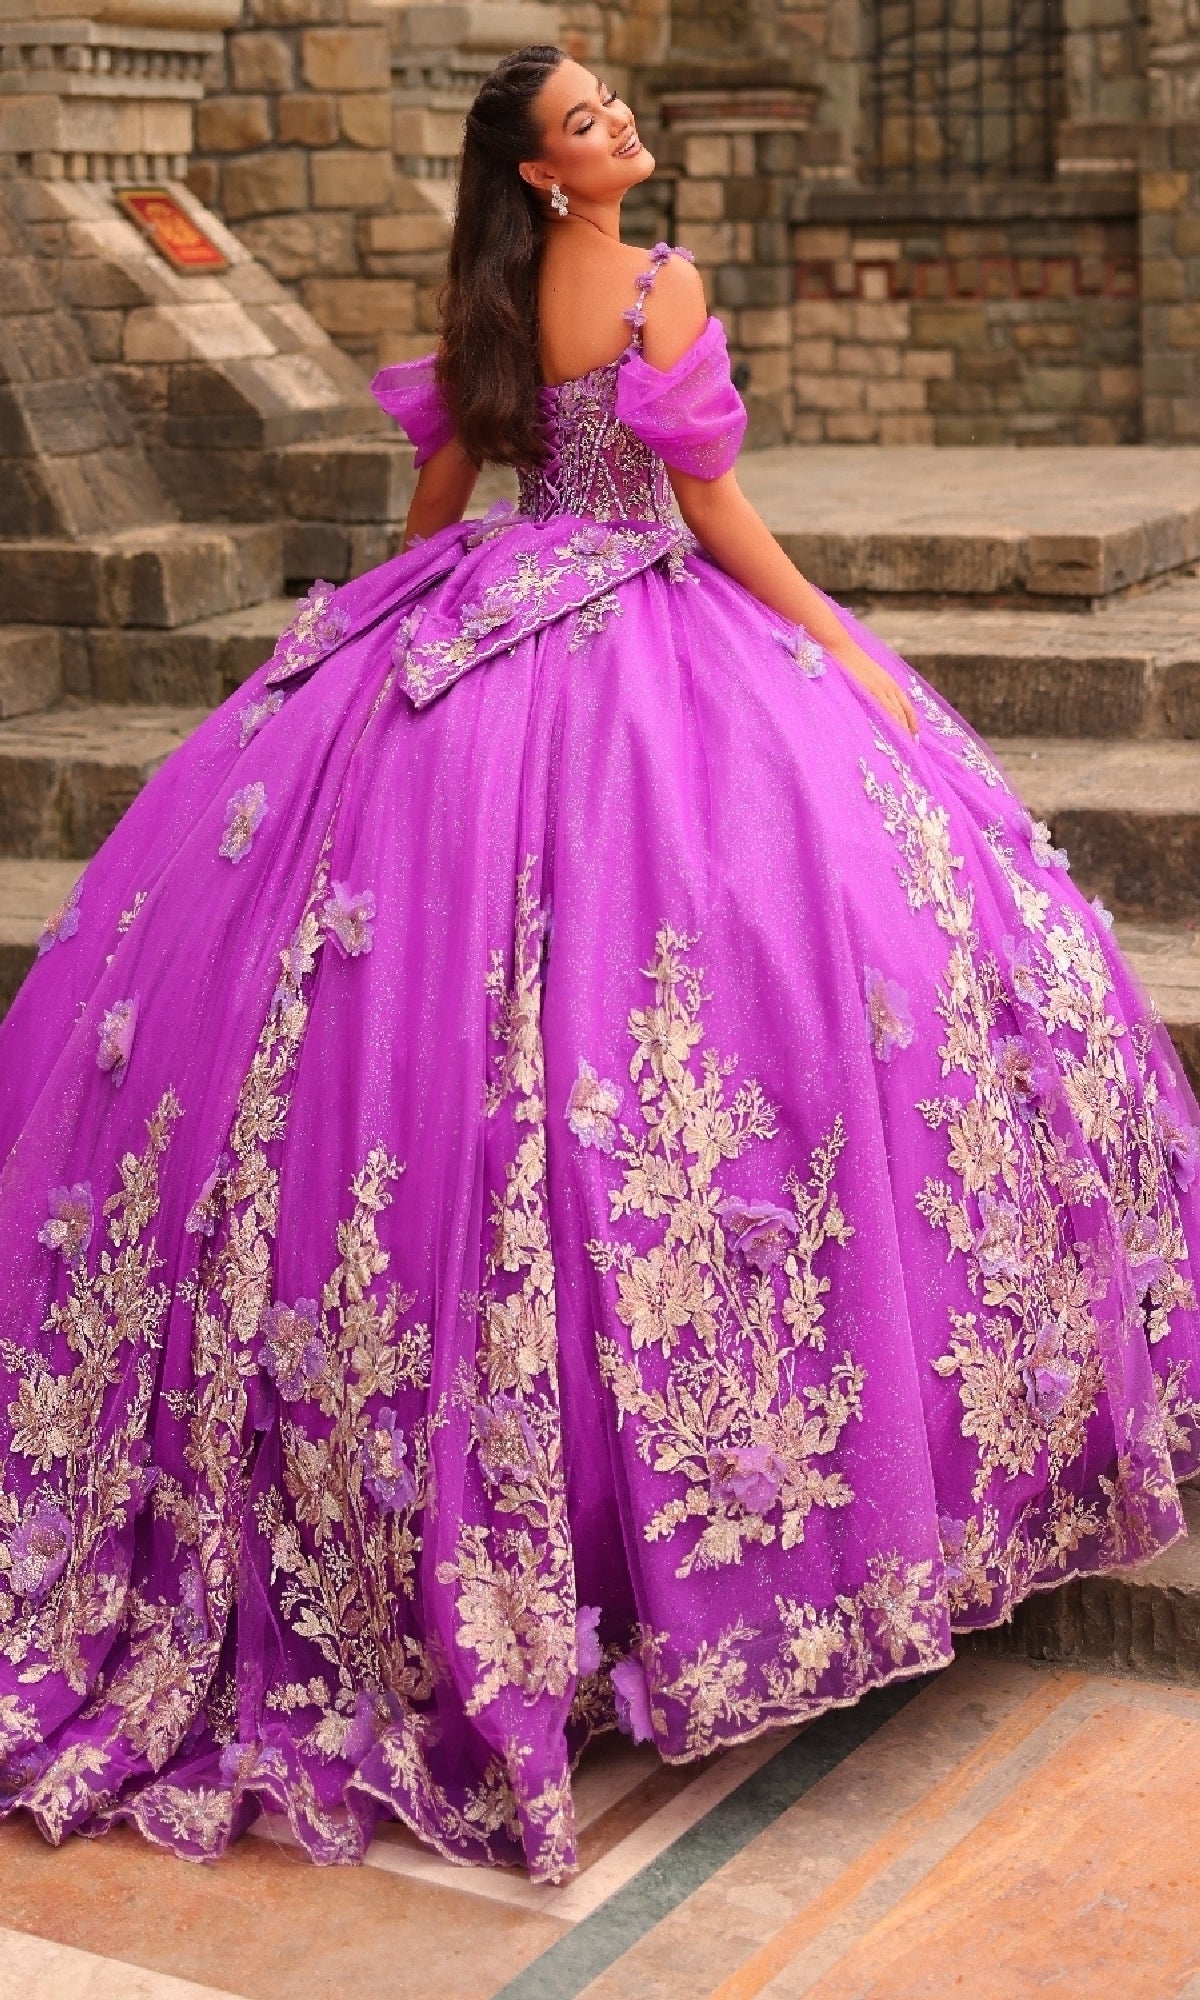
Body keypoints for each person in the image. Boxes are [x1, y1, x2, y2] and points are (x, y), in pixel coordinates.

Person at [0, 45, 1197, 1888]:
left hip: (477, 631)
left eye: (618, 102)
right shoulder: (657, 283)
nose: (622, 125)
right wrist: (846, 654)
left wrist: (356, 645)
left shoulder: (484, 292)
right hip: (647, 644)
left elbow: (441, 501)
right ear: (549, 175)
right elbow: (710, 517)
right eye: (589, 120)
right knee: (777, 971)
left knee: (415, 1037)